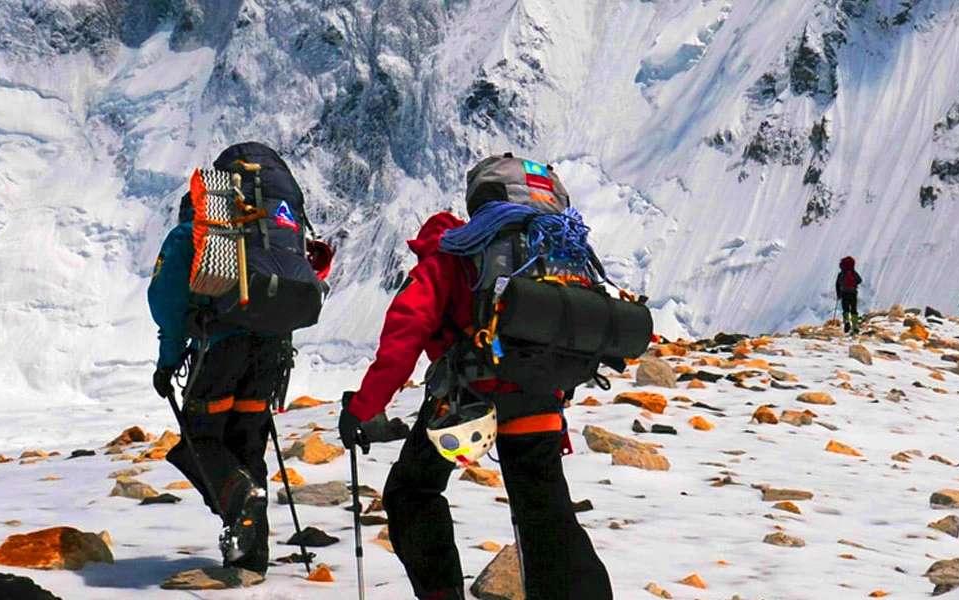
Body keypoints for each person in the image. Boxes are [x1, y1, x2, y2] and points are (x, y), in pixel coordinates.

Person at [339, 154, 618, 600]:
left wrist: (363, 408)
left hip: (467, 405)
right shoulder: (551, 249)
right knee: (546, 513)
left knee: (413, 491)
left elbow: (403, 338)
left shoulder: (452, 252)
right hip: (541, 399)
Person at [148, 142, 320, 575]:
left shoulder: (192, 235)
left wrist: (168, 363)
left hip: (220, 354)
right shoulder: (279, 231)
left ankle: (242, 501)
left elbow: (166, 304)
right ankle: (251, 558)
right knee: (248, 445)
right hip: (272, 355)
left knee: (203, 440)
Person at [836, 256, 862, 334]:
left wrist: (838, 294)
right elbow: (859, 280)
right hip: (853, 293)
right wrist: (854, 285)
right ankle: (855, 326)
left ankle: (846, 323)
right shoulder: (853, 272)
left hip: (844, 293)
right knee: (854, 309)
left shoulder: (841, 274)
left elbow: (837, 284)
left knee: (845, 309)